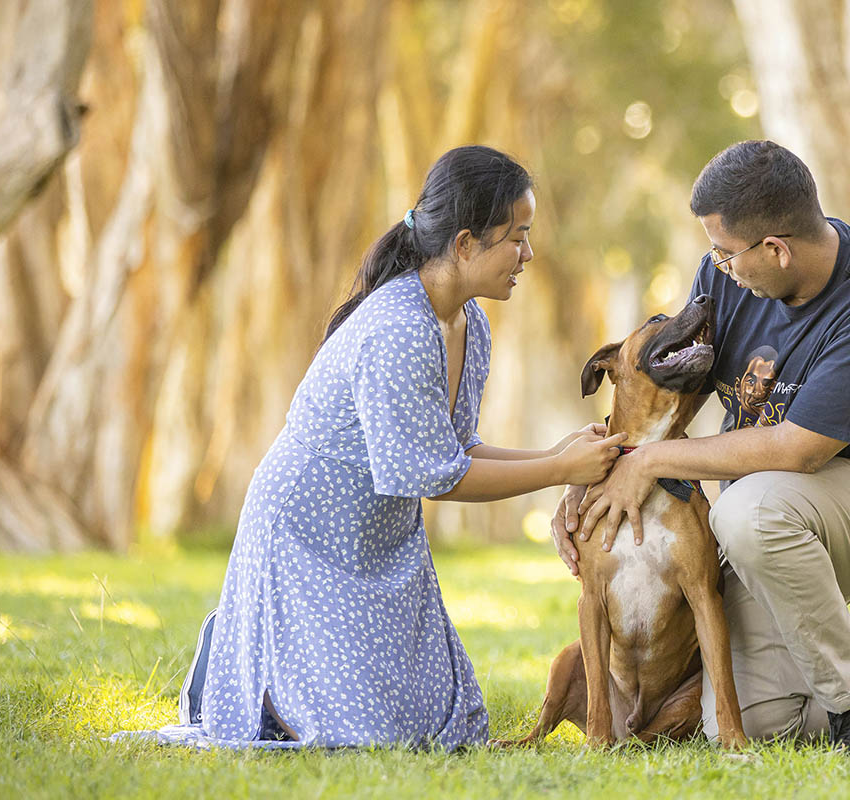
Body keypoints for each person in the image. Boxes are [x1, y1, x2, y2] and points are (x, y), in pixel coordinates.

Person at [112, 145, 625, 750]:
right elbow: (433, 476)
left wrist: (555, 453)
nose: (528, 254)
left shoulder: (470, 324)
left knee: (444, 731)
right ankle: (244, 669)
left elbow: (455, 448)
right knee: (367, 738)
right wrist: (556, 469)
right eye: (516, 237)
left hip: (377, 543)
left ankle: (277, 675)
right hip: (306, 535)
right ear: (464, 245)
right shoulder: (398, 328)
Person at [550, 140, 850, 750]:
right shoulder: (724, 284)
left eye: (726, 255)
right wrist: (592, 473)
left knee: (749, 513)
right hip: (767, 517)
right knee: (759, 719)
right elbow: (666, 396)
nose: (717, 269)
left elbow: (801, 449)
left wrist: (648, 463)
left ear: (775, 249)